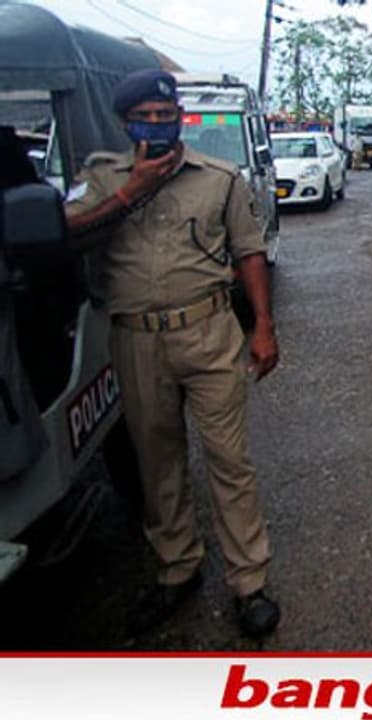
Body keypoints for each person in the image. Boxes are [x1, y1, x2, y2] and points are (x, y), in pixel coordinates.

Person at [64, 70, 282, 638]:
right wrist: (129, 193)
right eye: (145, 117)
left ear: (179, 118)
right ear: (124, 121)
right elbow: (68, 236)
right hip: (136, 340)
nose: (157, 126)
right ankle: (177, 567)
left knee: (229, 462)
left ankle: (248, 582)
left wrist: (262, 325)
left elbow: (250, 251)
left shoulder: (220, 178)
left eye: (167, 116)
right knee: (157, 462)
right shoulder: (100, 177)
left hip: (208, 333)